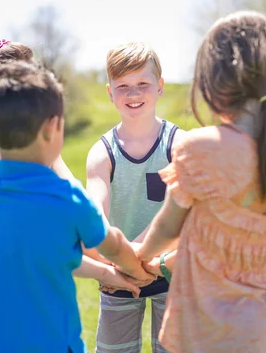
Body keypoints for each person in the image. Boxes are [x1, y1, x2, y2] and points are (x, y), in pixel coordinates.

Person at [0, 40, 138, 353]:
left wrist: (107, 272)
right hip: (1, 328)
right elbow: (80, 237)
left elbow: (38, 248)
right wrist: (135, 263)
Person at [134, 11, 266, 352]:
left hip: (211, 325)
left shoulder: (198, 148)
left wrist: (142, 255)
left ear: (212, 83)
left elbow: (169, 226)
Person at [85, 42, 184, 353]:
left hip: (172, 271)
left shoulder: (179, 145)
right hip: (118, 275)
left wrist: (141, 258)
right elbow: (95, 218)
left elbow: (180, 215)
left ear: (160, 87)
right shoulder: (102, 153)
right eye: (123, 86)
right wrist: (121, 263)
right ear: (110, 92)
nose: (133, 94)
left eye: (143, 84)